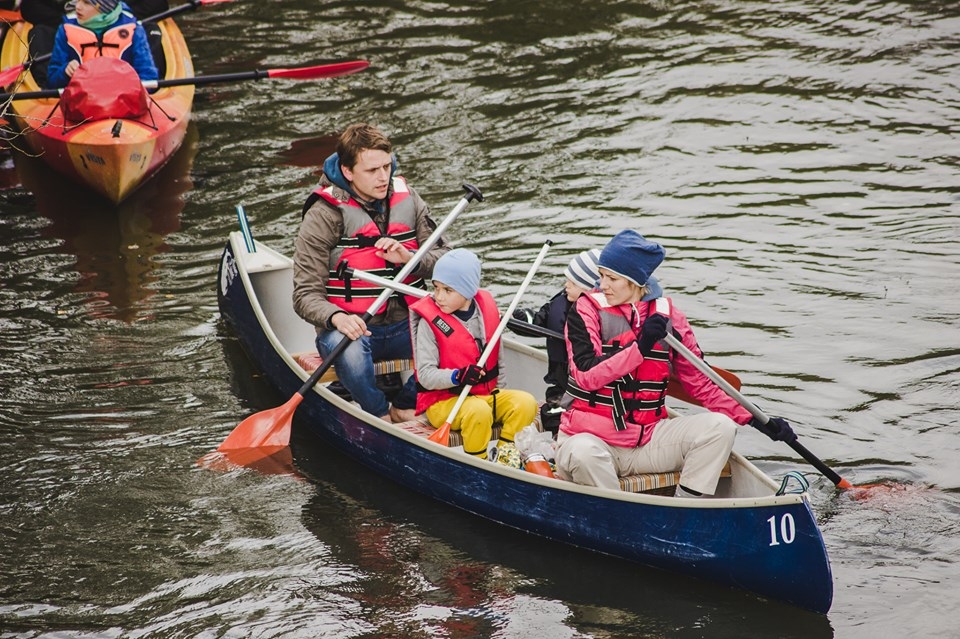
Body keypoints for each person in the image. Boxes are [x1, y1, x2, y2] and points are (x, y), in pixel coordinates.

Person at [555, 230, 797, 497]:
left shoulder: (669, 319)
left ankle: (684, 508)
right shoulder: (585, 310)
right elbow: (587, 375)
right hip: (591, 440)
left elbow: (702, 382)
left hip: (647, 442)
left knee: (720, 428)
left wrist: (756, 419)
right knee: (582, 453)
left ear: (636, 282)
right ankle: (620, 514)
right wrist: (641, 346)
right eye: (601, 276)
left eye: (611, 278)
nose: (602, 285)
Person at [293, 123, 448, 424]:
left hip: (407, 324)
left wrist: (410, 259)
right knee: (347, 349)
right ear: (348, 171)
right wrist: (337, 318)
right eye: (372, 170)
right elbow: (304, 295)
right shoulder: (324, 214)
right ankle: (377, 413)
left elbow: (446, 263)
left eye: (387, 166)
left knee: (458, 331)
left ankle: (405, 405)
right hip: (353, 327)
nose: (383, 177)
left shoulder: (410, 199)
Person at [511, 248, 663, 435]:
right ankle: (556, 442)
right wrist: (516, 317)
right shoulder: (559, 303)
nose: (566, 285)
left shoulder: (602, 315)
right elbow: (537, 320)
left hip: (591, 388)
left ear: (591, 289)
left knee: (566, 414)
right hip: (560, 381)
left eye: (573, 283)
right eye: (567, 279)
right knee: (551, 413)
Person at [409, 248, 539, 459]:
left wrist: (499, 391)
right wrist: (457, 376)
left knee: (525, 403)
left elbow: (498, 360)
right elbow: (425, 375)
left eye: (448, 290)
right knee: (478, 411)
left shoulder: (486, 311)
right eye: (436, 288)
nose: (439, 296)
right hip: (443, 402)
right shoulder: (429, 324)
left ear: (467, 290)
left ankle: (505, 457)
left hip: (483, 396)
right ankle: (479, 462)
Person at [45, 0, 158, 89]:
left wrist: (127, 87)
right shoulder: (65, 30)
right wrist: (65, 72)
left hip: (123, 101)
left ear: (103, 8)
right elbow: (52, 81)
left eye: (86, 2)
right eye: (78, 0)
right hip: (82, 103)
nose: (78, 6)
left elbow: (149, 77)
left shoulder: (134, 30)